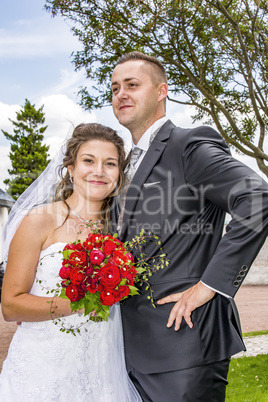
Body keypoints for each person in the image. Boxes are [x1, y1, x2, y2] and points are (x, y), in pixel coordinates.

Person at [111, 51, 268, 401]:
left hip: (184, 346)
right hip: (126, 351)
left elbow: (257, 197)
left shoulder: (188, 145)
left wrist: (211, 285)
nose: (121, 94)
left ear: (161, 91)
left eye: (132, 85)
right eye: (115, 87)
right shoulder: (120, 165)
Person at [0, 123, 142, 402]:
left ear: (119, 175)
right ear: (70, 168)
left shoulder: (121, 230)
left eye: (110, 163)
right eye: (89, 160)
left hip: (101, 369)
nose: (99, 171)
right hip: (43, 369)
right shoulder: (40, 220)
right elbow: (10, 304)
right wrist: (80, 301)